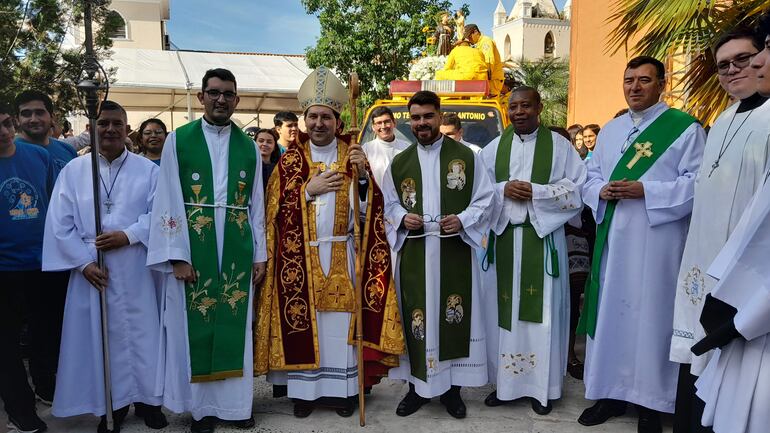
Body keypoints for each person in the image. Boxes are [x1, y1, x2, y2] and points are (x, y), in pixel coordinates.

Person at [255, 66, 405, 419]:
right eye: (313, 116)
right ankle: (305, 395)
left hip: (343, 252)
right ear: (304, 121)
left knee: (341, 329)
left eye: (326, 117)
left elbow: (371, 210)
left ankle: (343, 393)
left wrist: (365, 179)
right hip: (300, 259)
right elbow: (271, 212)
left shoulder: (353, 157)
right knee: (305, 323)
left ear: (338, 122)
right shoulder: (289, 161)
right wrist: (308, 191)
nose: (319, 122)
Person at [578, 56, 706, 433]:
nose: (634, 87)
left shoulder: (684, 129)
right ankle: (611, 393)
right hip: (615, 241)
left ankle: (650, 402)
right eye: (629, 80)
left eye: (644, 80)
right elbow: (591, 173)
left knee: (652, 317)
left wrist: (645, 191)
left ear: (662, 84)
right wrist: (599, 189)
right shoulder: (612, 129)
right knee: (613, 314)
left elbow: (698, 184)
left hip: (659, 242)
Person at [146, 68, 267, 433]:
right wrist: (177, 255)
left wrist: (260, 253)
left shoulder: (248, 145)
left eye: (228, 94)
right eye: (214, 93)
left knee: (235, 326)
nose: (221, 99)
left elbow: (256, 203)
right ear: (201, 97)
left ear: (236, 99)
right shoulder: (179, 140)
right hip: (193, 245)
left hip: (236, 242)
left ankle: (235, 406)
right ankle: (203, 411)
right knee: (194, 328)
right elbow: (167, 198)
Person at [42, 100, 166, 432]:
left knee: (145, 335)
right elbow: (59, 224)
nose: (109, 129)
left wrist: (128, 235)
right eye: (103, 124)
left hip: (137, 264)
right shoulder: (74, 171)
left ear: (128, 130)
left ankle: (149, 402)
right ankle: (111, 405)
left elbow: (161, 214)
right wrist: (83, 264)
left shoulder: (149, 170)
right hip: (92, 270)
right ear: (92, 129)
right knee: (99, 339)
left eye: (116, 124)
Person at [670, 28, 770, 433]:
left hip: (742, 277)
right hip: (701, 260)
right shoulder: (722, 119)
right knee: (694, 365)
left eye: (742, 59)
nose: (732, 71)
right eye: (723, 65)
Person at [382, 90, 494, 419]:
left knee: (452, 317)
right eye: (415, 118)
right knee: (417, 320)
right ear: (409, 120)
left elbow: (486, 199)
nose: (421, 123)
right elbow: (388, 203)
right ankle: (417, 389)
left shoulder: (468, 156)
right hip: (415, 251)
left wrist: (463, 219)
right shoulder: (399, 163)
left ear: (439, 115)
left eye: (427, 116)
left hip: (454, 248)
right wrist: (403, 218)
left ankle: (452, 392)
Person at [480, 87, 586, 414]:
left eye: (526, 105)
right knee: (503, 318)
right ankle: (505, 387)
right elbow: (479, 195)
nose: (519, 111)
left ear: (539, 107)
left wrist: (536, 193)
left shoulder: (560, 147)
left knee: (543, 318)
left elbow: (577, 188)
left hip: (542, 242)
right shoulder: (493, 148)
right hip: (505, 242)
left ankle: (543, 389)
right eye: (513, 106)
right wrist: (502, 189)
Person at [0, 102, 54, 433]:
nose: (4, 132)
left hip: (43, 263)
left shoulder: (39, 157)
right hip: (3, 269)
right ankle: (19, 407)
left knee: (45, 335)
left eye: (7, 123)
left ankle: (46, 388)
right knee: (5, 345)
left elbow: (52, 203)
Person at [361, 106, 410, 187]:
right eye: (379, 123)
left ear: (394, 123)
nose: (383, 126)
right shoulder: (366, 150)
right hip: (377, 198)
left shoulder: (407, 148)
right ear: (373, 127)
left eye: (387, 121)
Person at [467, 24, 505, 96]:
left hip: (492, 80)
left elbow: (489, 61)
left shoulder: (486, 41)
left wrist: (486, 79)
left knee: (489, 105)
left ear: (476, 32)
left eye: (469, 36)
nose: (469, 39)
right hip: (489, 80)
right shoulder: (478, 44)